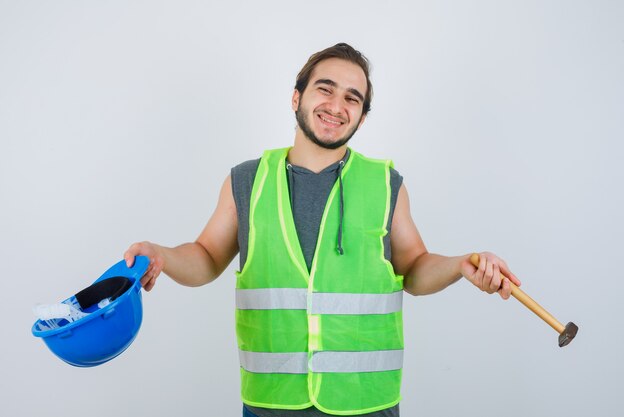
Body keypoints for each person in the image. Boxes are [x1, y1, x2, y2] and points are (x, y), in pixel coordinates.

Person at [124, 43, 521, 417]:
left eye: (353, 98)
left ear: (362, 116)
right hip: (271, 403)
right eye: (325, 89)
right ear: (296, 98)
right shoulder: (247, 181)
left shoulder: (386, 184)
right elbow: (206, 257)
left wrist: (460, 265)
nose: (337, 105)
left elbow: (414, 268)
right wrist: (163, 255)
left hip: (366, 403)